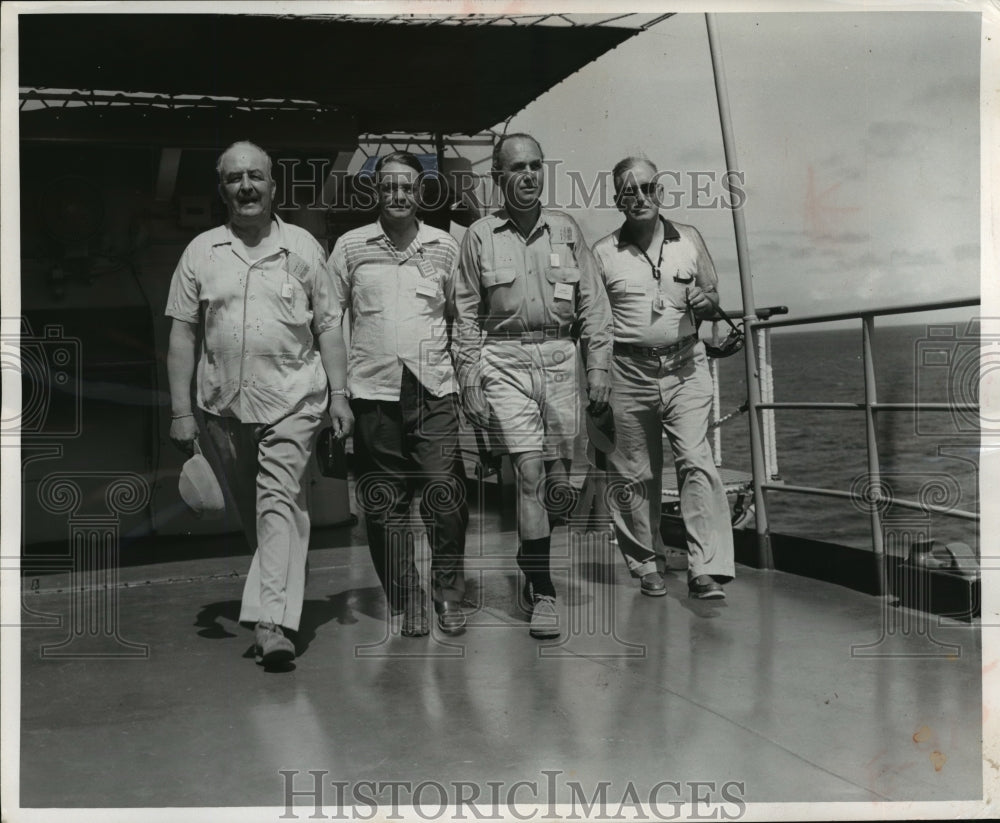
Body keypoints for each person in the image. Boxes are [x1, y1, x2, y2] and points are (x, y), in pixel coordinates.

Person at [166, 140, 353, 666]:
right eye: (234, 178)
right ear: (221, 188)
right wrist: (182, 412)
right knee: (261, 515)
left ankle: (272, 625)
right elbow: (183, 336)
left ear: (273, 185)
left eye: (256, 177)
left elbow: (330, 328)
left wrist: (339, 396)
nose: (246, 186)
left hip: (293, 399)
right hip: (222, 407)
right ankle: (281, 587)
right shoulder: (201, 252)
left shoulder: (303, 248)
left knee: (277, 503)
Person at [454, 133, 613, 638]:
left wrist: (598, 369)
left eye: (535, 166)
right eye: (516, 168)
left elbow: (593, 304)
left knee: (556, 480)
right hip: (505, 358)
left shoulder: (566, 230)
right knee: (528, 472)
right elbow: (464, 316)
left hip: (561, 358)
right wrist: (470, 377)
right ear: (498, 177)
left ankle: (529, 564)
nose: (527, 176)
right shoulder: (479, 236)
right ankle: (542, 591)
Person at [328, 152, 468, 637]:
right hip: (372, 392)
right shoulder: (349, 248)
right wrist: (338, 393)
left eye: (406, 187)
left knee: (443, 495)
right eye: (388, 187)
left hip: (433, 391)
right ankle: (409, 601)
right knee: (384, 504)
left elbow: (460, 320)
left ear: (421, 191)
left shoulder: (446, 247)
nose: (398, 196)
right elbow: (331, 322)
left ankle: (448, 594)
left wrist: (466, 384)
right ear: (375, 192)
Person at [591, 157, 735, 599]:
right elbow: (594, 320)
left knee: (696, 461)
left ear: (661, 192)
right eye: (629, 191)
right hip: (627, 372)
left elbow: (713, 296)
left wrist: (702, 301)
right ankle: (647, 562)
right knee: (636, 474)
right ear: (617, 199)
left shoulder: (688, 239)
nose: (640, 197)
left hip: (685, 366)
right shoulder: (602, 253)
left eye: (648, 188)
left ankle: (703, 567)